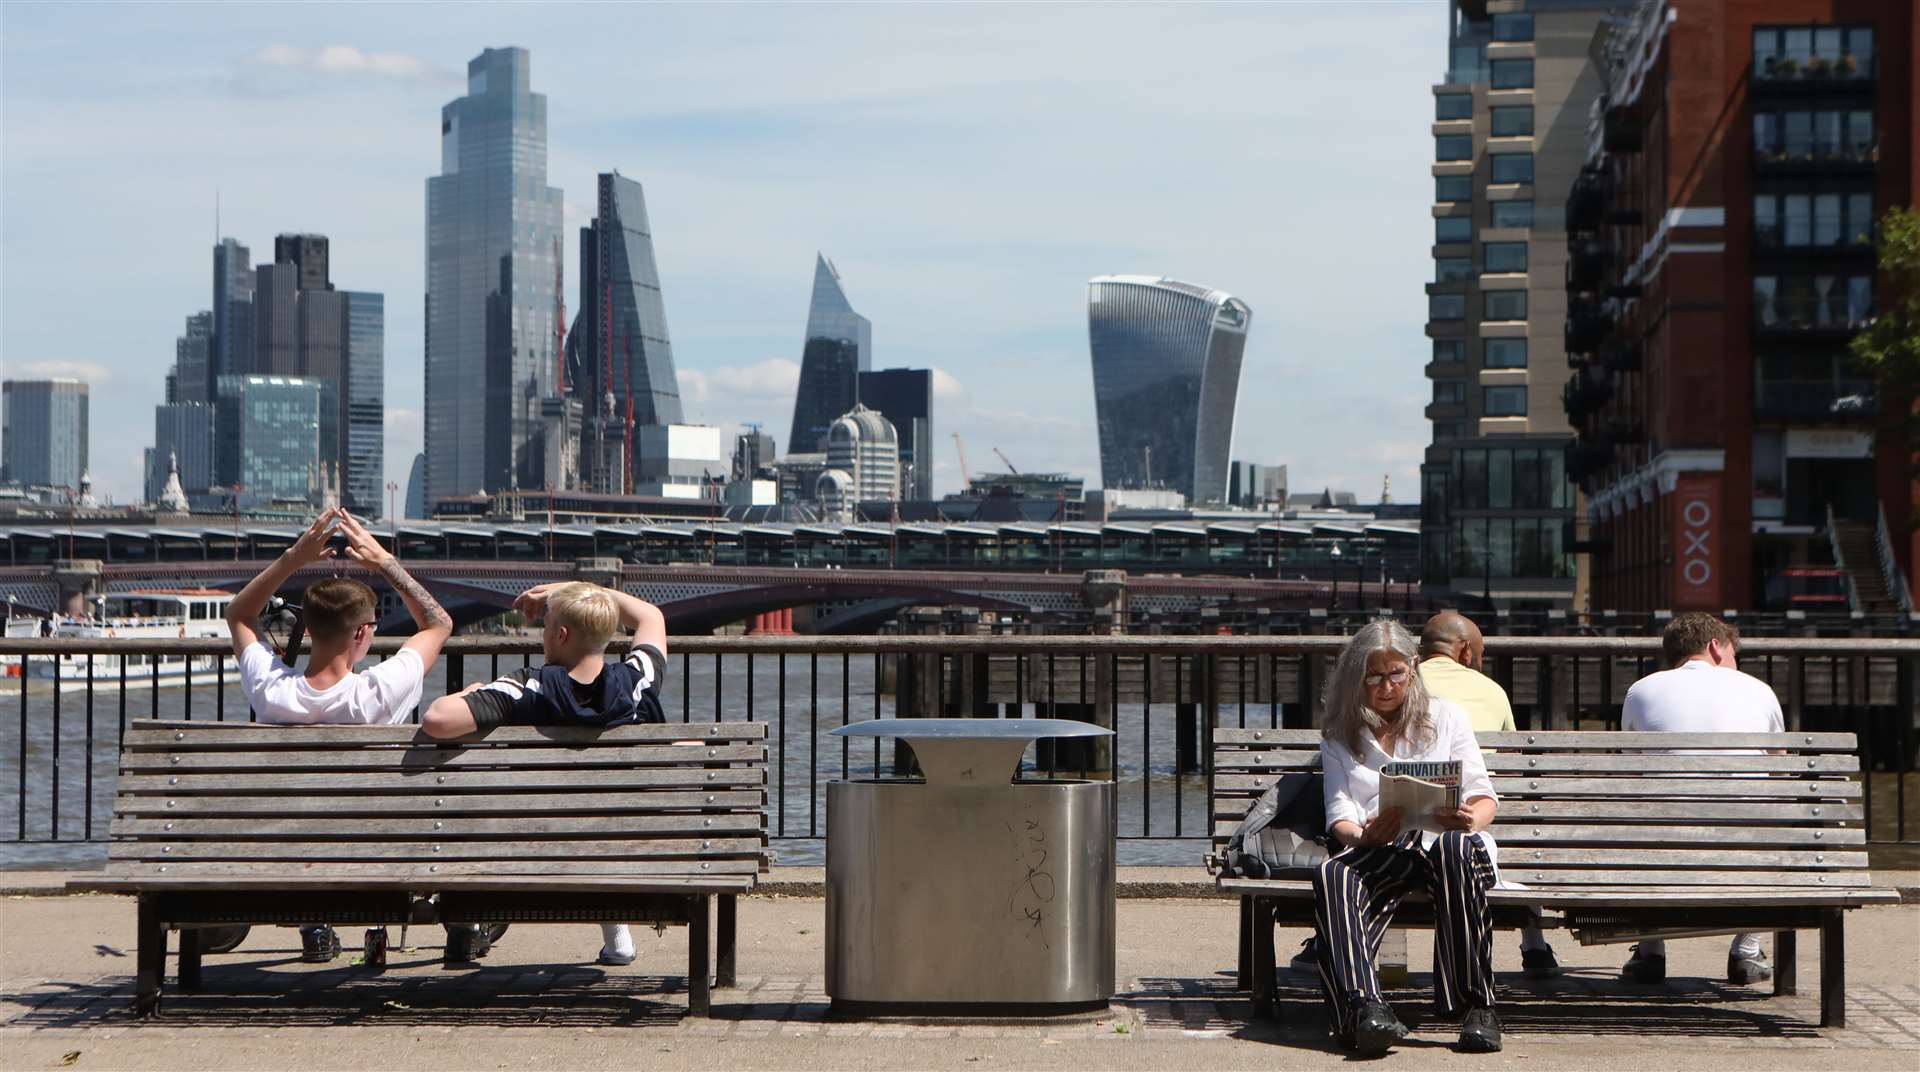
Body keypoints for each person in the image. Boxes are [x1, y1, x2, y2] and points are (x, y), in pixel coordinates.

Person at [225, 508, 453, 962]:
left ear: (306, 629)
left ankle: (314, 921)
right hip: (376, 849)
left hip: (290, 851)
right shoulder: (379, 692)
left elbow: (239, 614)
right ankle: (378, 925)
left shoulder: (272, 692)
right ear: (364, 633)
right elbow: (438, 623)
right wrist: (384, 561)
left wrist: (293, 557)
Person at [421, 581, 669, 967]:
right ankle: (615, 931)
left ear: (561, 634)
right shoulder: (638, 681)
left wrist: (471, 690)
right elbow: (650, 616)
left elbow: (437, 721)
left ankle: (468, 922)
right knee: (598, 821)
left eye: (547, 624)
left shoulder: (528, 687)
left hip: (532, 849)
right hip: (625, 848)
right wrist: (581, 588)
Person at [1313, 619, 1503, 1056]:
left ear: (1413, 668)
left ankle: (1478, 1007)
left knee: (1454, 847)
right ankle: (1364, 1007)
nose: (1385, 686)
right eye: (1373, 676)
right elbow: (1339, 816)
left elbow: (1484, 797)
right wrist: (1363, 835)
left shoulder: (1446, 716)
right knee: (1331, 874)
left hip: (1449, 848)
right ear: (1355, 676)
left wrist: (1466, 820)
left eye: (1395, 673)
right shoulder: (1341, 734)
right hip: (1385, 849)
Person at [1617, 613, 1783, 985]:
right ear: (1714, 646)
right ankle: (1746, 950)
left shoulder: (1641, 690)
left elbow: (1630, 779)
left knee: (1642, 817)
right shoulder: (1759, 690)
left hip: (1664, 853)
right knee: (1768, 820)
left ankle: (1650, 950)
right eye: (1733, 652)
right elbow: (1780, 779)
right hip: (1743, 855)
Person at [1418, 611, 1561, 980]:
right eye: (1479, 654)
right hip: (1470, 830)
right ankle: (1534, 944)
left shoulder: (1401, 686)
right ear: (1465, 651)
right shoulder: (1492, 691)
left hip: (1404, 830)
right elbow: (1509, 765)